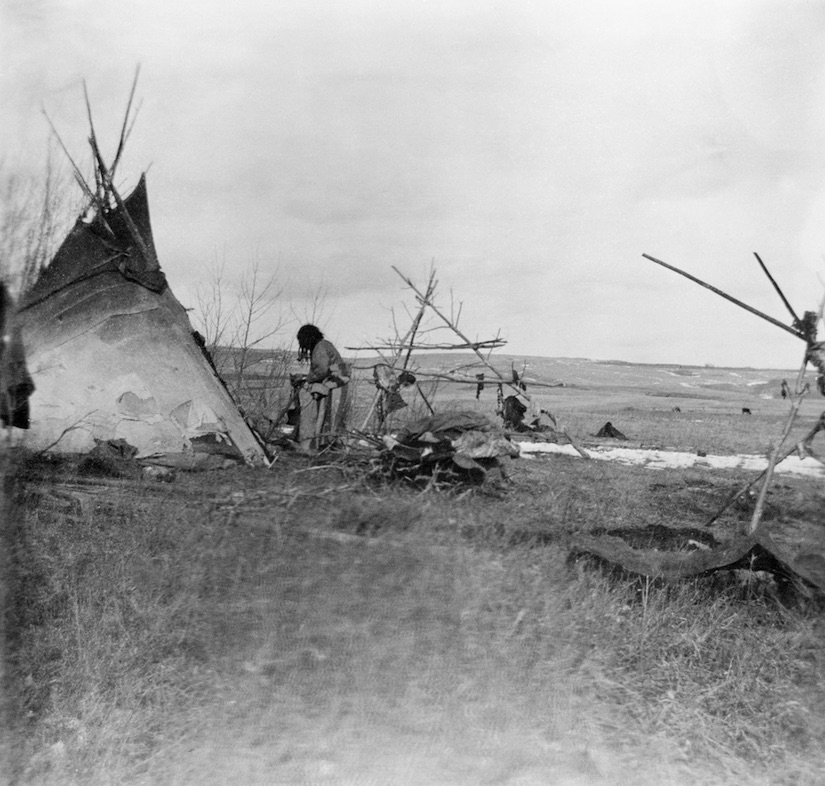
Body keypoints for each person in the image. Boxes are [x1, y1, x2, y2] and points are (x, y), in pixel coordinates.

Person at [295, 324, 350, 453]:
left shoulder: (320, 348)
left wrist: (307, 380)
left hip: (335, 384)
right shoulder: (324, 345)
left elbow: (321, 370)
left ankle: (314, 444)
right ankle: (325, 444)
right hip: (338, 382)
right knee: (330, 417)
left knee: (321, 413)